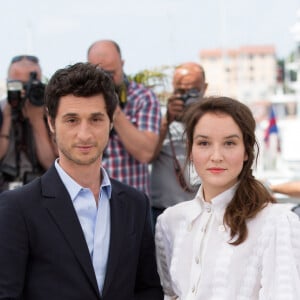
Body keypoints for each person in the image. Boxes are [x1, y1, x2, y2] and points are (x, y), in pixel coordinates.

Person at [0, 62, 163, 300]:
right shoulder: (17, 207)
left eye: (95, 119)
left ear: (111, 121)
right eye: (72, 120)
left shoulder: (135, 204)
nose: (84, 134)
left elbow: (147, 289)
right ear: (50, 122)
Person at [155, 96, 300, 299]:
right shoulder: (170, 221)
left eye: (229, 143)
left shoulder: (276, 222)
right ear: (190, 149)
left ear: (246, 150)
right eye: (204, 143)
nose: (216, 156)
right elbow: (170, 294)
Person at [87, 40, 161, 195]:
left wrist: (113, 106)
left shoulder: (142, 97)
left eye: (111, 73)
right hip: (90, 199)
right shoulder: (81, 100)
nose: (106, 80)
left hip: (133, 201)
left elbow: (146, 153)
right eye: (100, 73)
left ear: (122, 63)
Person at [150, 62, 207, 225]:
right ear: (173, 90)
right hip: (163, 211)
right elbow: (146, 155)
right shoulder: (159, 117)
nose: (188, 97)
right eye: (181, 91)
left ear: (205, 88)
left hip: (201, 212)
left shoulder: (211, 119)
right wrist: (166, 121)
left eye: (194, 91)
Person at [0, 55, 57, 191]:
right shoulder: (2, 110)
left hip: (38, 191)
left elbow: (51, 164)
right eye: (18, 85)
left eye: (30, 85)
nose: (24, 92)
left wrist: (37, 121)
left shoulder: (49, 113)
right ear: (8, 83)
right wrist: (7, 117)